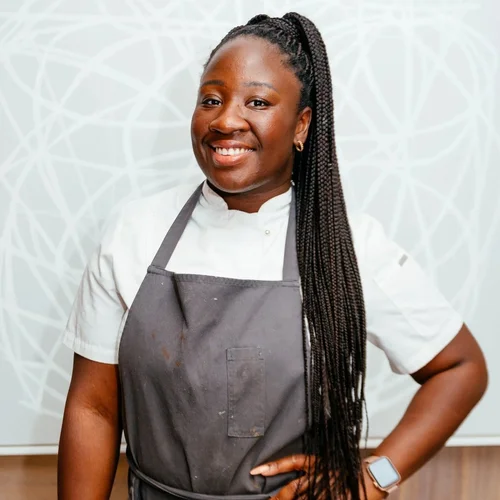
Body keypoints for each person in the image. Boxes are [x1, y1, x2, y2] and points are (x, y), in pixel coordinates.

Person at [57, 12, 488, 500]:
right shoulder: (133, 231)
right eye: (211, 100)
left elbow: (460, 368)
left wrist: (372, 480)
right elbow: (93, 408)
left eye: (257, 102)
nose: (225, 120)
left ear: (301, 125)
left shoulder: (346, 247)